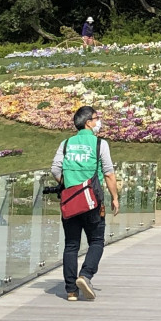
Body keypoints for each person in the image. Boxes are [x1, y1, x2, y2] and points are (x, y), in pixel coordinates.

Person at [51, 104, 120, 302]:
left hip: (70, 201)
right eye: (96, 118)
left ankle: (71, 290)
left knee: (71, 244)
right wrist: (114, 197)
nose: (99, 122)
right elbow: (108, 173)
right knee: (96, 241)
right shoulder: (100, 144)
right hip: (92, 201)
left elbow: (55, 169)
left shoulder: (66, 144)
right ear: (88, 122)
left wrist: (69, 185)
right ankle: (86, 275)